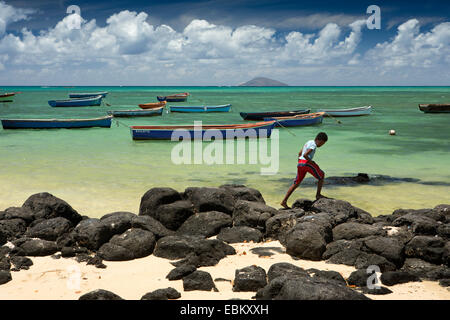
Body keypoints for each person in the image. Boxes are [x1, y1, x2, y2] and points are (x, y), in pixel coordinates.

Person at [280, 132, 328, 209]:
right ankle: (318, 195)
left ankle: (284, 201)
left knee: (296, 183)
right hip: (306, 163)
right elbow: (305, 155)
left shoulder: (308, 142)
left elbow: (300, 153)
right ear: (318, 140)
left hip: (300, 163)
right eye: (322, 143)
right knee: (321, 175)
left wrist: (299, 162)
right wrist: (311, 161)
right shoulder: (313, 145)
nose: (321, 145)